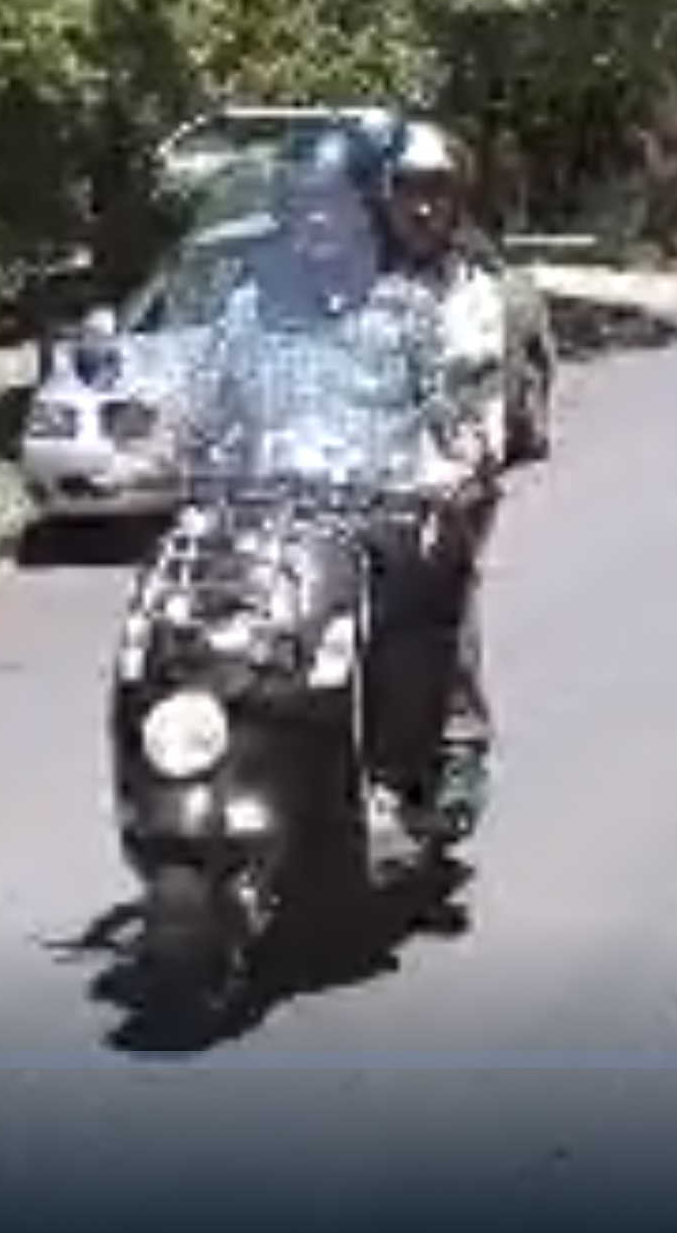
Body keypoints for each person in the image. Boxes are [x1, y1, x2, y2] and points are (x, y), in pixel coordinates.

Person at [174, 123, 498, 837]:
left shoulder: (407, 308)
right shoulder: (248, 309)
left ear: (363, 211)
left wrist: (457, 459)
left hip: (372, 521)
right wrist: (177, 444)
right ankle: (179, 764)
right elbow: (202, 406)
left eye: (334, 202)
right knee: (183, 617)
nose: (317, 218)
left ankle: (398, 774)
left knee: (423, 594)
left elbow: (451, 412)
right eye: (302, 204)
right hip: (260, 521)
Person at [378, 119, 508, 826]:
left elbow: (478, 398)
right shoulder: (357, 284)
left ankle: (459, 740)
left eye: (435, 191)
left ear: (456, 201)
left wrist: (467, 463)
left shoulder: (474, 293)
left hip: (445, 478)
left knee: (439, 584)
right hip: (358, 480)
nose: (421, 207)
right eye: (407, 191)